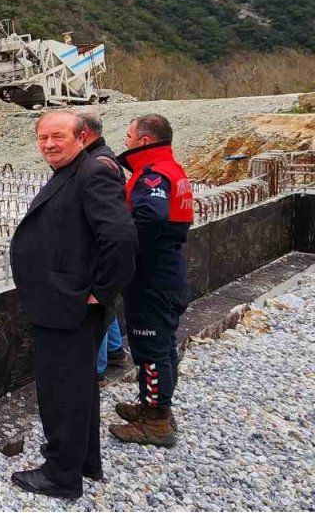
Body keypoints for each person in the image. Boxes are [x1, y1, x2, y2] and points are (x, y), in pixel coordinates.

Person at [9, 111, 137, 499]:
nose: (48, 144)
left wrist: (102, 290)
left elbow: (121, 238)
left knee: (61, 390)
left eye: (57, 136)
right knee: (78, 388)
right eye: (42, 138)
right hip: (63, 302)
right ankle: (83, 461)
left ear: (81, 137)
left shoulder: (92, 171)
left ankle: (61, 476)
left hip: (68, 305)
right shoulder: (76, 168)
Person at [110, 114, 194, 447]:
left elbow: (149, 216)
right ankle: (153, 407)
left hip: (152, 275)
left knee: (151, 347)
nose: (126, 141)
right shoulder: (171, 168)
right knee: (162, 344)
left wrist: (116, 239)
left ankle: (156, 422)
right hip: (165, 270)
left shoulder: (153, 175)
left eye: (129, 136)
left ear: (144, 140)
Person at [78, 111, 129, 379]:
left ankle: (94, 371)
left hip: (97, 250)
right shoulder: (104, 157)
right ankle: (116, 351)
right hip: (101, 248)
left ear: (83, 133)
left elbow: (114, 227)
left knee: (98, 307)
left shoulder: (98, 165)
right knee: (107, 305)